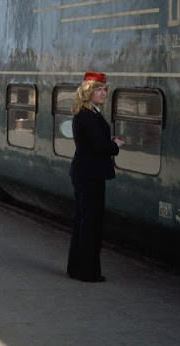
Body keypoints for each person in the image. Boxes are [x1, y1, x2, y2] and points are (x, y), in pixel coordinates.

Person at [66, 71, 124, 283]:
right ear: (88, 92)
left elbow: (92, 142)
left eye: (104, 89)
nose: (103, 93)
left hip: (85, 172)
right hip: (90, 174)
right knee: (91, 224)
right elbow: (99, 146)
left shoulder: (86, 113)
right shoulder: (88, 116)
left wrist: (106, 141)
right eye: (98, 89)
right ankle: (88, 272)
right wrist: (114, 145)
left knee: (82, 222)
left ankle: (76, 268)